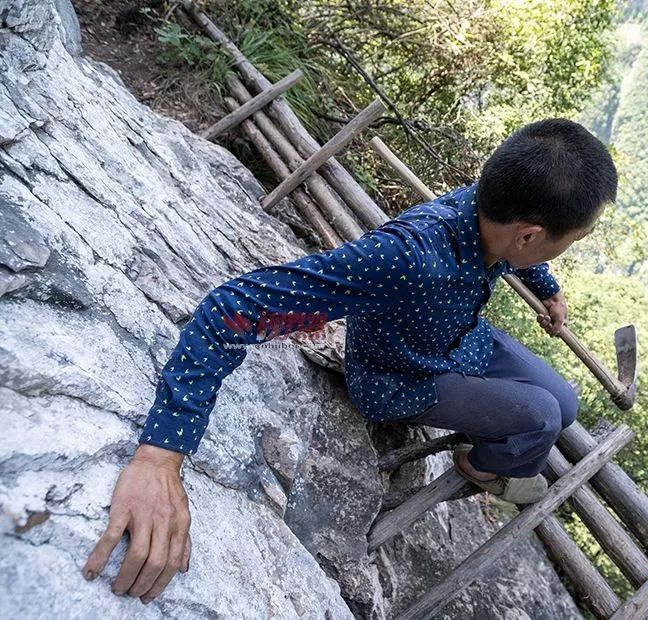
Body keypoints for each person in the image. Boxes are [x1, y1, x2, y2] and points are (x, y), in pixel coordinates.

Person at [82, 117, 618, 602]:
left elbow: (518, 252)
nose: (560, 253)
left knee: (564, 403)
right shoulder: (407, 256)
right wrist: (159, 454)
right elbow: (235, 311)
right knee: (543, 417)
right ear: (529, 234)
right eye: (565, 244)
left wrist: (545, 284)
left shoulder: (490, 207)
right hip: (399, 377)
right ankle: (481, 466)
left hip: (462, 339)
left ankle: (504, 447)